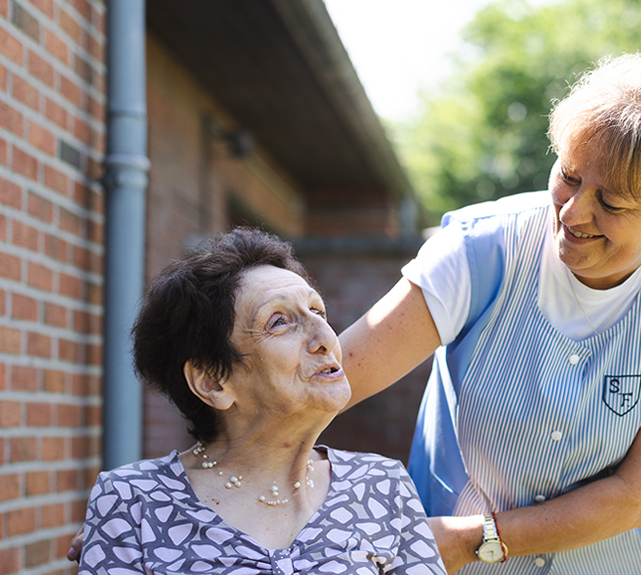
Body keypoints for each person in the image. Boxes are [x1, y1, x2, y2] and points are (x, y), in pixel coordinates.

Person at [337, 21, 641, 574]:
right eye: (568, 175)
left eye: (612, 204)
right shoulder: (478, 250)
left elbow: (636, 496)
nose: (571, 213)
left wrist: (478, 540)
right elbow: (333, 380)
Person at [77, 228, 447, 575]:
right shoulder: (133, 502)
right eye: (279, 322)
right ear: (213, 382)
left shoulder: (382, 485)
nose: (325, 336)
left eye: (318, 312)